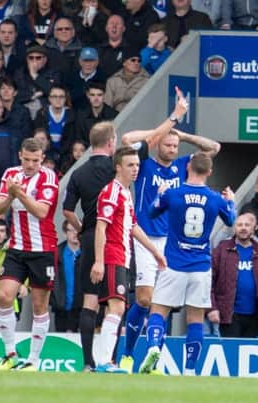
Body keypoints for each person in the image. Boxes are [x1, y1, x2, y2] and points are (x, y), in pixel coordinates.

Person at [118, 89, 215, 372]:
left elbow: (213, 149)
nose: (172, 150)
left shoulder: (184, 166)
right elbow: (127, 139)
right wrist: (169, 123)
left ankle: (153, 357)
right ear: (159, 144)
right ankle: (127, 353)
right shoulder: (144, 164)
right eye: (168, 145)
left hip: (172, 244)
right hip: (146, 237)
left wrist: (183, 135)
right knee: (146, 299)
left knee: (163, 304)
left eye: (175, 146)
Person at [138, 152, 235, 375]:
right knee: (195, 319)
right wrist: (231, 201)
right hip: (201, 266)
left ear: (188, 167)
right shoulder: (214, 198)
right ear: (209, 172)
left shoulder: (173, 193)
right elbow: (230, 219)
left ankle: (153, 346)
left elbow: (152, 212)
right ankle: (190, 369)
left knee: (158, 310)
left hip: (174, 264)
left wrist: (159, 194)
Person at [90, 146, 167, 372]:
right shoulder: (112, 191)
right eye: (130, 165)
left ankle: (105, 361)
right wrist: (98, 261)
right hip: (113, 255)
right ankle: (104, 362)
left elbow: (132, 226)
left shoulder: (125, 192)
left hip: (123, 257)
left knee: (115, 309)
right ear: (118, 167)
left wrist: (154, 251)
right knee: (117, 308)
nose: (135, 169)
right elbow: (100, 227)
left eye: (137, 165)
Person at [0, 137, 59, 372]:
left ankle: (33, 360)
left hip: (43, 249)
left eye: (36, 160)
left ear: (42, 158)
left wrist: (18, 194)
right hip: (17, 248)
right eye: (27, 159)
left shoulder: (49, 177)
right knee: (4, 296)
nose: (31, 165)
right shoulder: (11, 174)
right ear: (20, 155)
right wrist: (11, 194)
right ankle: (10, 353)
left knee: (40, 305)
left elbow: (42, 211)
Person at [62, 121, 117, 371]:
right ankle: (110, 360)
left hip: (90, 235)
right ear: (110, 142)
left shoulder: (78, 172)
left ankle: (88, 362)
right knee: (114, 302)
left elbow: (67, 211)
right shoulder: (116, 169)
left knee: (90, 301)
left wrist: (82, 227)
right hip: (114, 237)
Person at [209, 212, 258, 338]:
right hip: (228, 315)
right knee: (230, 354)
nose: (243, 228)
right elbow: (209, 281)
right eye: (239, 225)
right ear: (234, 228)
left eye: (247, 225)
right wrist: (211, 308)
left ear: (255, 228)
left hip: (254, 316)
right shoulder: (222, 249)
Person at [51, 220, 81, 332]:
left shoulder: (89, 253)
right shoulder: (57, 252)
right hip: (61, 307)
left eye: (77, 230)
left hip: (82, 308)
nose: (75, 234)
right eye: (71, 230)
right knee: (61, 342)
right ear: (65, 232)